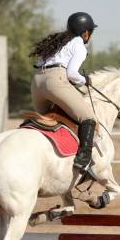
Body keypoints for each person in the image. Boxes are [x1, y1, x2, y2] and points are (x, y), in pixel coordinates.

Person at [30, 12, 98, 173]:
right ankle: (83, 160)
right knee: (88, 118)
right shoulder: (78, 44)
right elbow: (72, 74)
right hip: (55, 82)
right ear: (86, 32)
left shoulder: (59, 41)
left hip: (37, 82)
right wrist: (85, 80)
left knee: (46, 120)